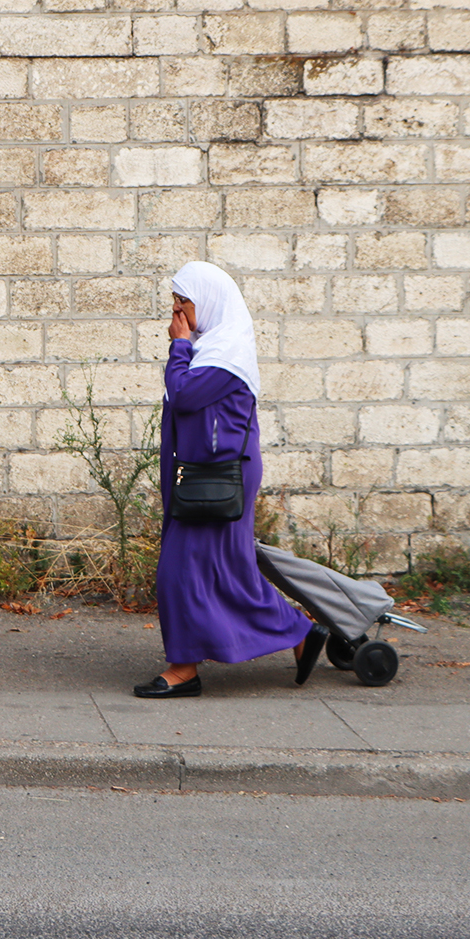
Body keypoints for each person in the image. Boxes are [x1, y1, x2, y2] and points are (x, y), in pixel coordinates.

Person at [134, 261, 327, 699]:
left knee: (180, 571)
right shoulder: (213, 348)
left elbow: (183, 395)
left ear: (210, 301)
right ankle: (298, 633)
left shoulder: (225, 354)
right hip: (203, 473)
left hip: (221, 476)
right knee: (226, 571)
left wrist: (179, 347)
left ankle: (183, 668)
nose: (177, 313)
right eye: (174, 302)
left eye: (185, 302)